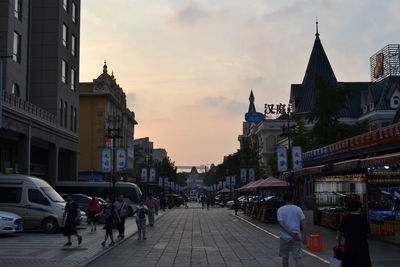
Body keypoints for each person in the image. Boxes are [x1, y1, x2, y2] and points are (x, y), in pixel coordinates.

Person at [338, 199, 371, 267]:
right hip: (362, 246)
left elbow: (340, 231)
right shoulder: (363, 219)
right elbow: (368, 233)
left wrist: (338, 237)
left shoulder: (346, 218)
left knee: (349, 263)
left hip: (350, 246)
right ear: (359, 209)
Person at [277, 192, 306, 267]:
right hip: (297, 237)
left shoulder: (280, 210)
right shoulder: (298, 209)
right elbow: (303, 223)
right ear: (292, 199)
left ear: (284, 200)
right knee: (298, 257)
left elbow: (281, 224)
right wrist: (304, 236)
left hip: (285, 237)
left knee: (285, 257)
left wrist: (290, 234)